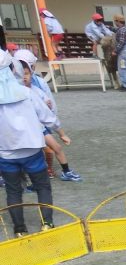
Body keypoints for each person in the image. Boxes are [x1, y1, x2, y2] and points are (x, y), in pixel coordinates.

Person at [0, 49, 57, 236]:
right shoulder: (26, 92)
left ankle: (19, 229)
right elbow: (48, 118)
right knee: (42, 186)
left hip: (6, 153)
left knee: (13, 191)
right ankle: (47, 223)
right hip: (31, 151)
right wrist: (56, 127)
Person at [13, 50, 82, 182]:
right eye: (21, 74)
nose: (24, 77)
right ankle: (29, 179)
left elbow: (48, 112)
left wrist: (61, 133)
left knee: (54, 148)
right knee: (30, 155)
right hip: (26, 130)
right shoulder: (17, 91)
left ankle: (64, 171)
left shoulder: (36, 87)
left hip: (39, 127)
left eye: (27, 73)